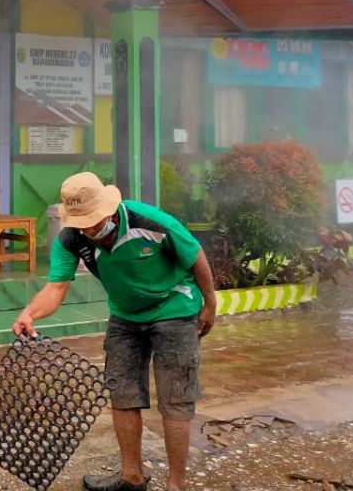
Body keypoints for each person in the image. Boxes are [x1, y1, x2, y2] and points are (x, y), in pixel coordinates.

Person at [12, 172, 215, 491]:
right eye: (83, 224)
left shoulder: (148, 220)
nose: (91, 230)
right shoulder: (71, 238)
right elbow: (56, 287)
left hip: (174, 307)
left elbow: (195, 256)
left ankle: (176, 484)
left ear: (109, 208)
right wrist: (29, 313)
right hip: (125, 315)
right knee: (122, 393)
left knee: (175, 397)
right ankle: (131, 476)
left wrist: (210, 303)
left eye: (95, 221)